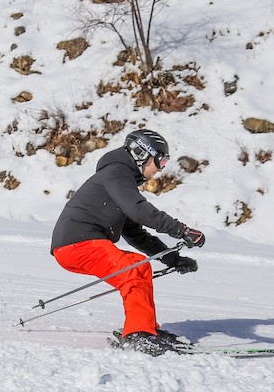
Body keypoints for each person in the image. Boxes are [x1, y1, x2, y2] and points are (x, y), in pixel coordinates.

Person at [50, 128, 206, 356]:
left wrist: (173, 259)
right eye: (160, 160)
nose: (161, 168)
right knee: (132, 271)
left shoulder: (120, 180)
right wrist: (181, 230)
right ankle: (139, 335)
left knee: (138, 266)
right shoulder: (116, 173)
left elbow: (135, 233)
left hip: (80, 243)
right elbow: (141, 211)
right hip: (78, 242)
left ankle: (145, 329)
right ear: (142, 154)